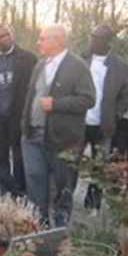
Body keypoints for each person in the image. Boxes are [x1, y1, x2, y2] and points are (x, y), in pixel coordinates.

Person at [21, 25, 95, 227]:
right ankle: (38, 228)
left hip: (63, 139)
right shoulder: (40, 65)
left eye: (43, 38)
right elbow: (31, 97)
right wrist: (24, 127)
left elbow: (88, 99)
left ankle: (60, 231)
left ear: (58, 40)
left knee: (62, 186)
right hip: (32, 136)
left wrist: (57, 104)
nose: (38, 42)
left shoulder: (77, 66)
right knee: (35, 185)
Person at [0, 24, 37, 197]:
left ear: (12, 36)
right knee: (0, 157)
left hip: (18, 117)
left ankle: (20, 193)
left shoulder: (28, 59)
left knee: (19, 157)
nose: (4, 39)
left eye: (6, 35)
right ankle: (6, 192)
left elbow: (36, 87)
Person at [81, 25, 128, 211]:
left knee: (100, 167)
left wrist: (116, 114)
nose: (93, 41)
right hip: (79, 123)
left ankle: (92, 205)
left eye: (98, 38)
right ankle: (63, 202)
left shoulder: (120, 66)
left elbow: (127, 95)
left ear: (108, 41)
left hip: (104, 125)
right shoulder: (81, 59)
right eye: (92, 36)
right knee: (69, 163)